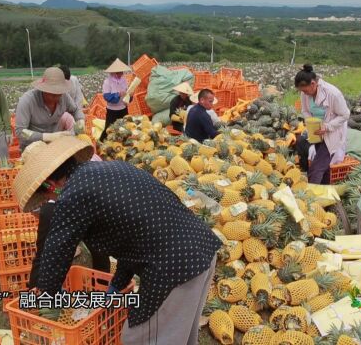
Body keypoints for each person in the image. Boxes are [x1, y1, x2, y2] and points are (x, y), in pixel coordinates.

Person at [13, 137, 221, 345]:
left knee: (138, 339)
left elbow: (57, 249)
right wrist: (117, 284)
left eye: (49, 195)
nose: (54, 200)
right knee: (180, 336)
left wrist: (49, 295)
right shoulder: (110, 169)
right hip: (201, 249)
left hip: (175, 268)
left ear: (51, 184)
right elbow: (133, 238)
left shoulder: (72, 194)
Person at [20, 141, 110, 290]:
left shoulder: (54, 194)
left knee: (46, 251)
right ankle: (102, 286)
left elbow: (51, 251)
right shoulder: (87, 165)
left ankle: (38, 291)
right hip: (99, 209)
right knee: (99, 246)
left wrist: (42, 286)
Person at [295, 64, 350, 185]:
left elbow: (345, 114)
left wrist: (327, 127)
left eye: (304, 90)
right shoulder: (305, 93)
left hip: (332, 132)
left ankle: (312, 199)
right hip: (316, 132)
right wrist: (311, 122)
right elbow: (305, 110)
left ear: (313, 84)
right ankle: (326, 194)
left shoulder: (333, 94)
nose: (303, 93)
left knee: (315, 169)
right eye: (301, 91)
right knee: (324, 167)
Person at [15, 67, 85, 151]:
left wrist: (80, 120)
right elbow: (21, 132)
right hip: (33, 147)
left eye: (59, 93)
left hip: (55, 145)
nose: (57, 97)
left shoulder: (63, 97)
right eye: (52, 94)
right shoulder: (27, 101)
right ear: (43, 89)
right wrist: (46, 136)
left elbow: (75, 110)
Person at [100, 58, 132, 142]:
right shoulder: (107, 82)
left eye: (121, 72)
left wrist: (129, 96)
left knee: (124, 129)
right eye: (118, 73)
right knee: (108, 129)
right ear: (112, 72)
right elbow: (107, 97)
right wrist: (118, 94)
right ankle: (101, 144)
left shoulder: (124, 80)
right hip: (112, 111)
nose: (120, 74)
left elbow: (127, 92)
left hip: (123, 109)